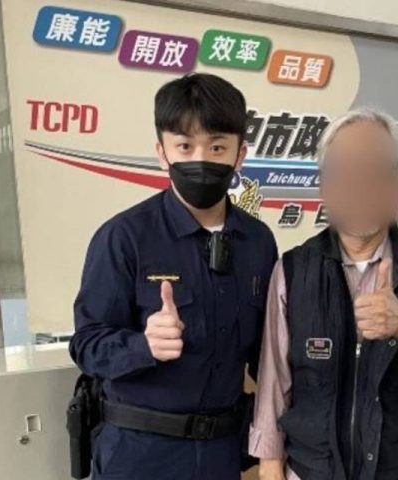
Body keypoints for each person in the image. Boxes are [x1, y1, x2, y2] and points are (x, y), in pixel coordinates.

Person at [249, 107, 398, 480]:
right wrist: (270, 465)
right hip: (311, 471)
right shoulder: (294, 269)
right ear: (324, 185)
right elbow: (274, 379)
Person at [69, 73, 278, 479]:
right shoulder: (124, 237)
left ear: (239, 155)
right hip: (138, 455)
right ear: (162, 153)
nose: (201, 159)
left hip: (221, 453)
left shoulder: (257, 242)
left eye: (217, 147)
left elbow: (268, 356)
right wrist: (143, 345)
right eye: (185, 146)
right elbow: (87, 343)